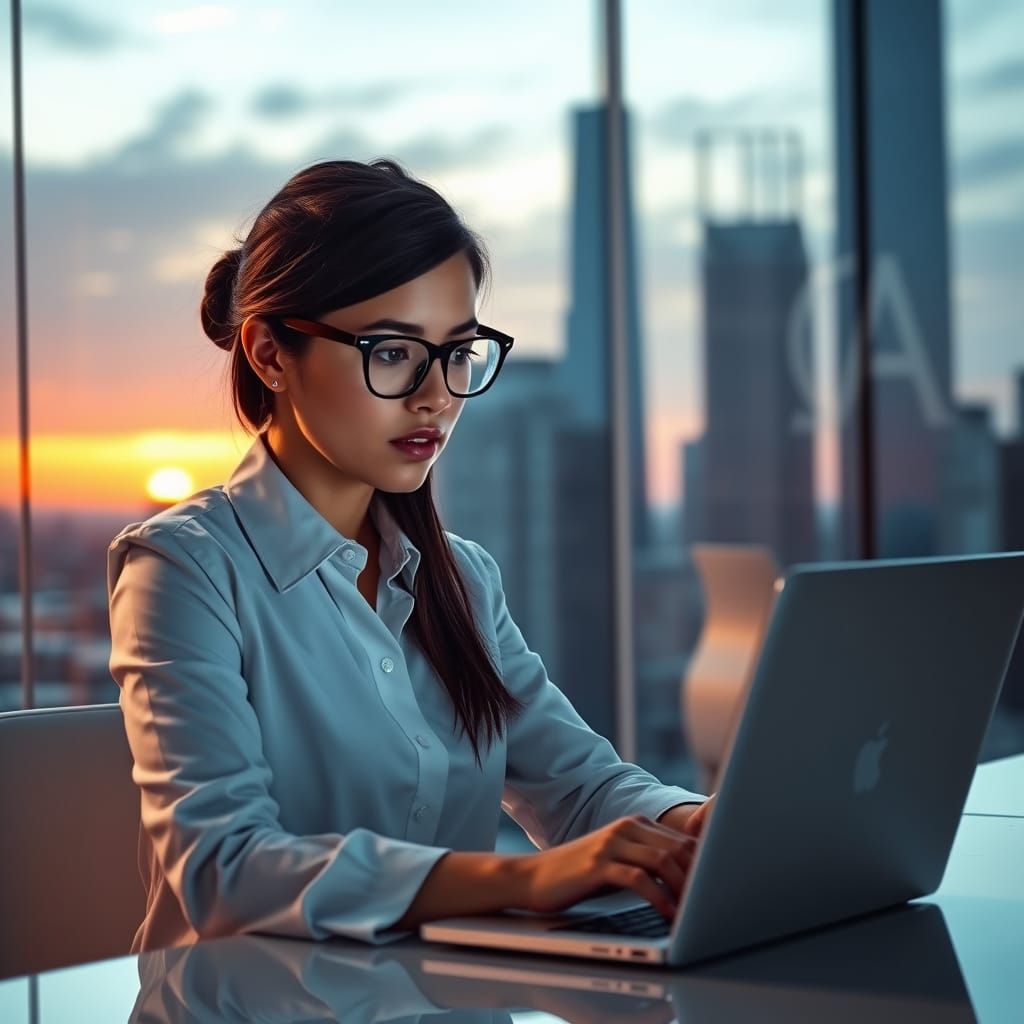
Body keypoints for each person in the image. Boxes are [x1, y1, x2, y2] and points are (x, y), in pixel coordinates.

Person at [107, 158, 712, 955]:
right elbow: (225, 869)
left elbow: (582, 786)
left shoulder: (460, 578)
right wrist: (526, 880)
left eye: (458, 352)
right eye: (392, 352)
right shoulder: (183, 571)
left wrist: (702, 823)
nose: (437, 395)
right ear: (269, 354)